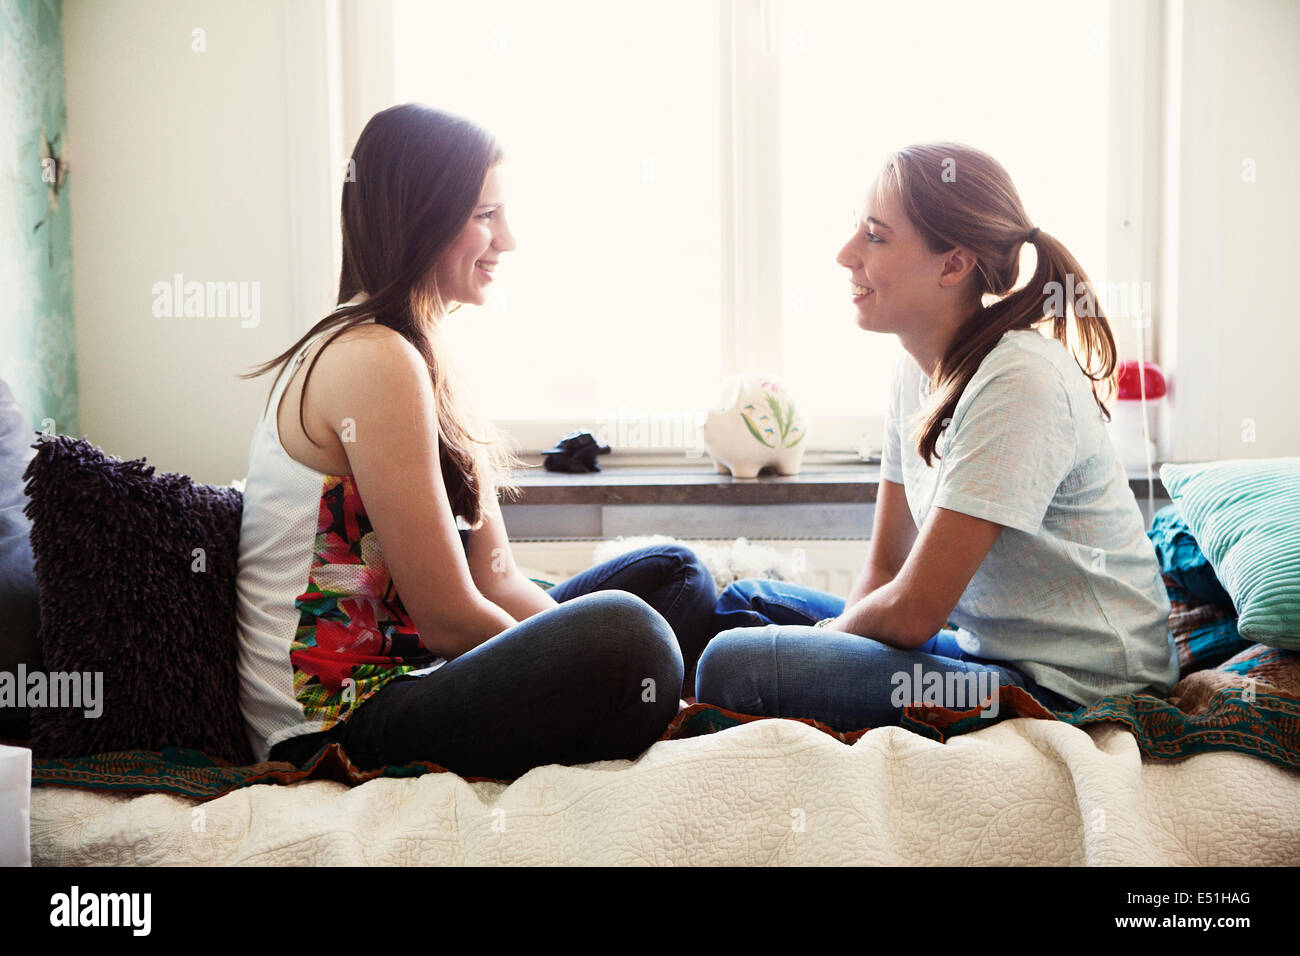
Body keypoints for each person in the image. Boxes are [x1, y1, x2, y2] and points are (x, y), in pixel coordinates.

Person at [234, 104, 714, 780]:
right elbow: (449, 620)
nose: (508, 239)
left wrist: (562, 648)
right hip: (341, 719)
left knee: (675, 576)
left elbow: (498, 579)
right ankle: (683, 684)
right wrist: (585, 656)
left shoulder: (424, 355)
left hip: (426, 673)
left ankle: (684, 680)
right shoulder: (370, 360)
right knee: (631, 641)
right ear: (419, 216)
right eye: (486, 215)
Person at [697, 142, 1177, 730]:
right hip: (984, 652)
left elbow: (913, 613)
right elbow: (884, 569)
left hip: (1074, 686)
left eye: (875, 237)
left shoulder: (1021, 380)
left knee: (733, 665)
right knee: (745, 603)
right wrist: (832, 652)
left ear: (953, 264)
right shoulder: (913, 369)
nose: (846, 255)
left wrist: (823, 648)